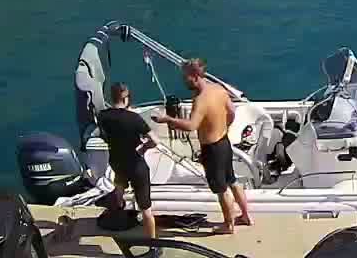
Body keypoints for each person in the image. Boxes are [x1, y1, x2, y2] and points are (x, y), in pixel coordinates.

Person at [155, 58, 251, 234]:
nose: (184, 81)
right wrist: (224, 126)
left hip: (212, 149)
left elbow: (191, 126)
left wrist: (168, 119)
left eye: (186, 77)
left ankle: (228, 225)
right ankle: (245, 216)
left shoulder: (200, 100)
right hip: (224, 142)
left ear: (195, 76)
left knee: (221, 189)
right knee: (233, 180)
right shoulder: (219, 90)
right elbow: (231, 111)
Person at [96, 83, 158, 253]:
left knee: (119, 183)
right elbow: (155, 140)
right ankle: (153, 246)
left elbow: (102, 133)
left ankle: (118, 207)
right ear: (126, 98)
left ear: (112, 97)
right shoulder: (134, 119)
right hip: (136, 165)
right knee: (146, 208)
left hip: (116, 162)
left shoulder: (102, 116)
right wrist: (144, 148)